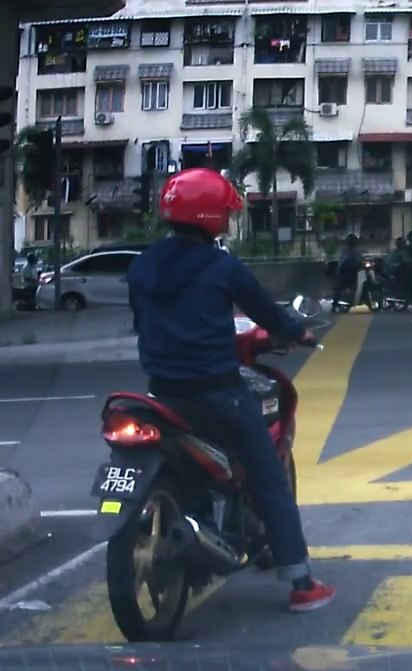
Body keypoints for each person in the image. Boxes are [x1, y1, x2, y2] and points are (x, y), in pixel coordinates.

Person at [125, 168, 336, 613]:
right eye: (225, 212)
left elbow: (144, 322)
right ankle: (301, 583)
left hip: (161, 395)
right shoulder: (221, 266)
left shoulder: (143, 265)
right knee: (270, 479)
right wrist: (296, 332)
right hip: (217, 394)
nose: (228, 219)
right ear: (211, 215)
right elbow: (268, 313)